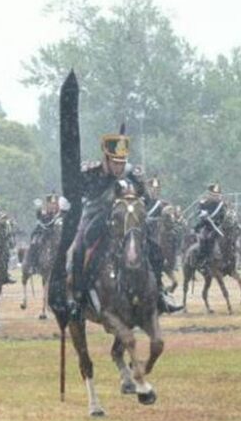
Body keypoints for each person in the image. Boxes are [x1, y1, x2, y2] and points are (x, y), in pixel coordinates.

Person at [68, 127, 182, 318]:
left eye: (122, 162)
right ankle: (78, 299)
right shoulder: (90, 172)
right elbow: (74, 191)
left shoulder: (132, 175)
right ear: (106, 158)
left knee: (154, 249)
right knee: (80, 250)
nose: (119, 167)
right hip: (95, 217)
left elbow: (145, 199)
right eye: (115, 162)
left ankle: (160, 295)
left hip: (126, 220)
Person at [26, 193, 61, 272]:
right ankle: (33, 264)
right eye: (51, 204)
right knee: (35, 243)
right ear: (47, 204)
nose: (53, 206)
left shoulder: (59, 214)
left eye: (54, 204)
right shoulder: (43, 212)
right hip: (43, 233)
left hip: (54, 234)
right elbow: (40, 221)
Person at [194, 183, 226, 268]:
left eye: (217, 195)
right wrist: (203, 214)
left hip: (218, 226)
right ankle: (203, 258)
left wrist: (219, 220)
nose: (216, 197)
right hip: (207, 226)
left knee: (228, 238)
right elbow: (198, 213)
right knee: (204, 238)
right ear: (209, 194)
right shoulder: (203, 203)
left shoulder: (221, 204)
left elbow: (223, 215)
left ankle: (229, 258)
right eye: (214, 195)